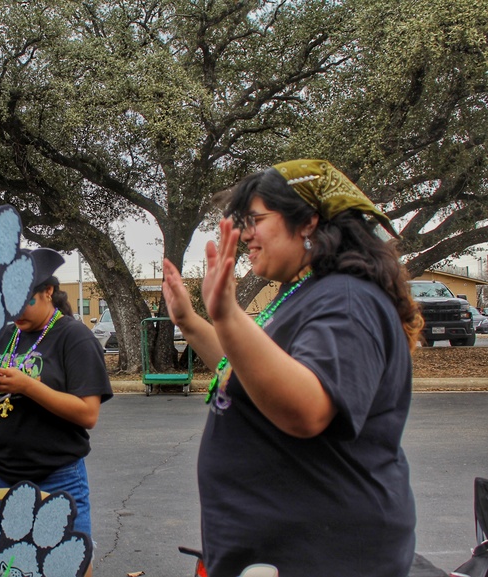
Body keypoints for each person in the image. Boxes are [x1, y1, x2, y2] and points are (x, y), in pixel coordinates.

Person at [161, 159, 424, 577]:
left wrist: (228, 315)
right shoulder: (301, 293)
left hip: (322, 555)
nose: (245, 233)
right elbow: (248, 373)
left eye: (255, 219)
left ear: (308, 222)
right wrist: (192, 323)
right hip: (274, 551)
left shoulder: (346, 300)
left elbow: (307, 409)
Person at [0, 248, 113, 544]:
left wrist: (27, 386)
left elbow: (88, 414)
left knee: (67, 563)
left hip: (57, 477)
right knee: (2, 565)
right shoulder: (1, 336)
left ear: (48, 291)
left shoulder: (74, 338)